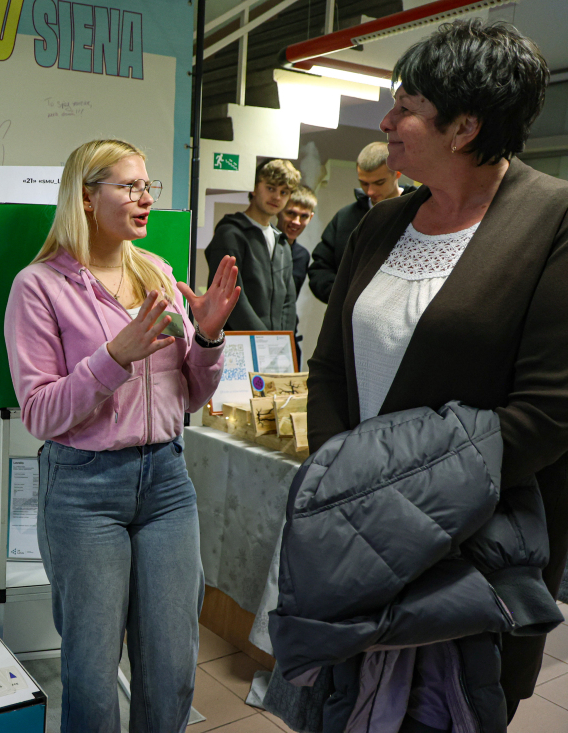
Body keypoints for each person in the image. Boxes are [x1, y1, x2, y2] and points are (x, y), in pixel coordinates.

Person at [307, 19, 568, 728]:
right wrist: (337, 489)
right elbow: (328, 369)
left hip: (472, 554)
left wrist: (387, 507)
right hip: (359, 542)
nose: (386, 123)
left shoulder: (553, 221)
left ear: (465, 127)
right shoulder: (380, 224)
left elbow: (546, 415)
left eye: (407, 107)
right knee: (350, 702)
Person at [5, 139, 240, 732]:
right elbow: (39, 413)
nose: (146, 198)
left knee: (172, 663)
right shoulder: (38, 286)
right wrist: (113, 358)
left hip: (166, 481)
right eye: (130, 186)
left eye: (147, 186)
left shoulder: (157, 272)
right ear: (86, 198)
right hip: (84, 490)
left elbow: (190, 395)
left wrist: (208, 338)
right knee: (91, 669)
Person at [307, 141, 412, 303]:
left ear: (397, 173)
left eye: (379, 183)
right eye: (364, 183)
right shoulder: (345, 218)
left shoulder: (420, 213)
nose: (370, 191)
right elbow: (320, 269)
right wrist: (345, 300)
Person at [205, 158, 299, 332]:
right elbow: (230, 297)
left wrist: (283, 341)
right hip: (238, 342)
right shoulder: (229, 234)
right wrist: (263, 340)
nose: (277, 197)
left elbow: (288, 302)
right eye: (270, 188)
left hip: (274, 345)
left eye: (284, 192)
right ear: (254, 188)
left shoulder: (282, 243)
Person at [276, 185, 316, 367]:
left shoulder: (302, 255)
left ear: (311, 217)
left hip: (287, 337)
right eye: (291, 213)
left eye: (304, 216)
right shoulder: (263, 247)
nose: (296, 222)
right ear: (279, 210)